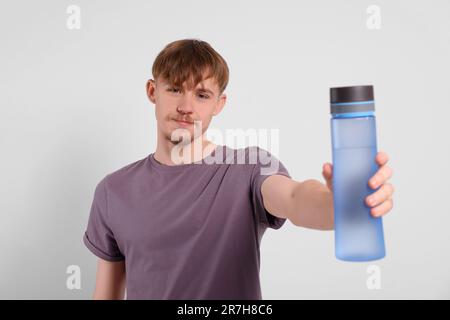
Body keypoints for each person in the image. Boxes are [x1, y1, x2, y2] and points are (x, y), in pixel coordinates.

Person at [83, 39, 395, 300]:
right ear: (153, 91)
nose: (186, 107)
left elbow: (297, 199)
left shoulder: (249, 168)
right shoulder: (113, 191)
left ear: (219, 104)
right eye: (176, 89)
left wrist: (342, 202)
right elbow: (106, 295)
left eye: (202, 95)